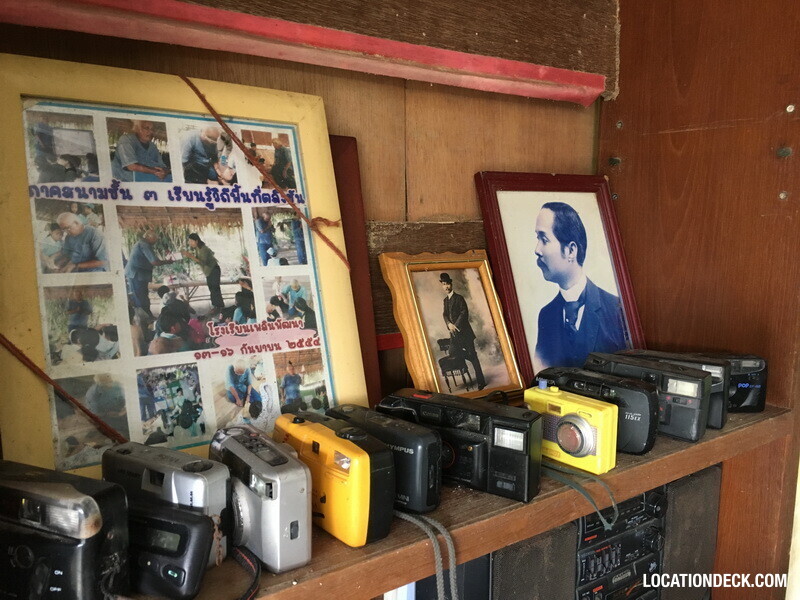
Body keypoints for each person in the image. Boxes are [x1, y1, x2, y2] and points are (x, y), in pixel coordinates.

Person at [533, 202, 626, 369]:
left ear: (571, 251)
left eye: (544, 239)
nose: (537, 249)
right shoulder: (546, 315)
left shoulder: (617, 311)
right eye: (537, 238)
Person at [440, 272, 486, 390]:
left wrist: (456, 325)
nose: (446, 286)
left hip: (465, 334)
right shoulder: (445, 301)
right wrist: (449, 324)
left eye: (447, 284)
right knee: (453, 352)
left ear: (451, 284)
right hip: (454, 335)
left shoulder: (459, 298)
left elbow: (464, 312)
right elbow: (445, 314)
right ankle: (465, 362)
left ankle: (481, 381)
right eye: (444, 284)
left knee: (473, 357)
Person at [126, 231, 174, 316]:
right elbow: (154, 262)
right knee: (140, 298)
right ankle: (144, 319)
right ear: (149, 237)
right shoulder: (145, 245)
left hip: (138, 275)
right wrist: (167, 262)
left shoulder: (142, 243)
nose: (155, 242)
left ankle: (147, 316)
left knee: (142, 296)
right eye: (155, 239)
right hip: (136, 275)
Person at [182, 233, 224, 311]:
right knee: (212, 289)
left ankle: (219, 307)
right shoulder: (198, 248)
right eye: (189, 241)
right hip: (209, 271)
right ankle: (217, 306)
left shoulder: (203, 249)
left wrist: (190, 256)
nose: (190, 243)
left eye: (191, 241)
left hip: (213, 270)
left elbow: (202, 262)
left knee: (215, 289)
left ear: (196, 241)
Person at [84, 374, 129, 438]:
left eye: (111, 381)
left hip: (120, 412)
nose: (111, 383)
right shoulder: (92, 394)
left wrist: (125, 410)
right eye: (107, 382)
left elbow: (127, 400)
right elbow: (94, 414)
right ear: (100, 384)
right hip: (104, 416)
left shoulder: (117, 386)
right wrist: (107, 414)